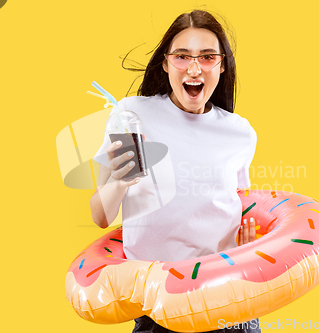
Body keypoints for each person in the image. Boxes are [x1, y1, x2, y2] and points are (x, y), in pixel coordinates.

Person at [90, 9, 260, 333]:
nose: (194, 68)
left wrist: (245, 249)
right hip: (157, 309)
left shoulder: (240, 132)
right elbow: (100, 214)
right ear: (166, 63)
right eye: (182, 56)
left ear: (222, 65)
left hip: (227, 301)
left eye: (208, 57)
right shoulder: (130, 115)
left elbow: (232, 206)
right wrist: (121, 182)